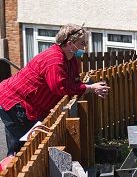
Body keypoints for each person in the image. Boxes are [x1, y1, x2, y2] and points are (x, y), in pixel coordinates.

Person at [0, 24, 110, 156]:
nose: (84, 48)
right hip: (14, 101)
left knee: (31, 145)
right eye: (82, 43)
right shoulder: (54, 59)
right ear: (70, 43)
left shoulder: (71, 60)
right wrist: (91, 88)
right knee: (23, 148)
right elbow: (61, 88)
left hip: (31, 103)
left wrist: (87, 87)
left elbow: (74, 82)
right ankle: (10, 172)